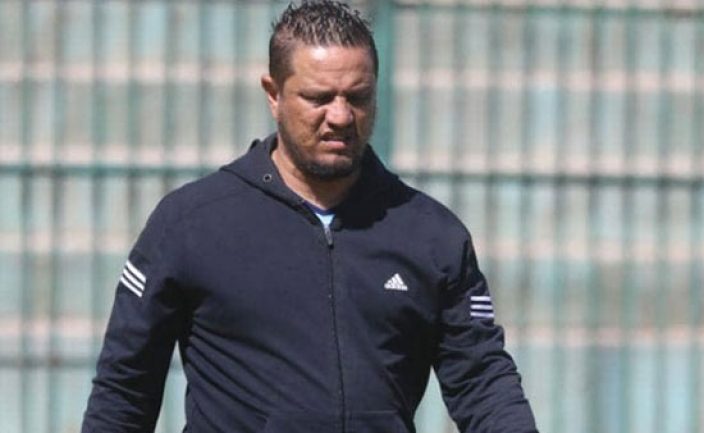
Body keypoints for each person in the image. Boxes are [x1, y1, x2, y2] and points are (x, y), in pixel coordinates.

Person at [81, 1, 537, 432]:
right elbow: (125, 389)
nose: (340, 116)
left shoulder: (431, 234)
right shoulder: (190, 223)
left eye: (357, 96)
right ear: (273, 94)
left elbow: (482, 380)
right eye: (319, 97)